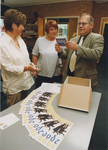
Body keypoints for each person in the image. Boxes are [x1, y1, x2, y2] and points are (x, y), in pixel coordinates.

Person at [0, 9, 39, 107]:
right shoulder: (2, 44)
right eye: (22, 25)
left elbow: (25, 59)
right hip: (14, 88)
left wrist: (32, 67)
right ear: (13, 26)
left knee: (24, 110)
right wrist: (27, 68)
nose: (23, 28)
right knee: (14, 115)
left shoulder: (20, 39)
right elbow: (8, 68)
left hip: (25, 84)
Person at [55, 13, 104, 89]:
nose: (81, 26)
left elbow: (96, 54)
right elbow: (66, 54)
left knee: (81, 100)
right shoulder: (73, 39)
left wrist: (77, 48)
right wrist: (60, 51)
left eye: (84, 24)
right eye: (79, 23)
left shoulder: (97, 38)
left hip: (84, 78)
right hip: (69, 76)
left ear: (91, 25)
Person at [32, 20, 62, 88]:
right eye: (51, 29)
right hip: (42, 73)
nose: (54, 31)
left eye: (55, 29)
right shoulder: (40, 40)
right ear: (47, 31)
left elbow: (64, 57)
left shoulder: (60, 41)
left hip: (56, 74)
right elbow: (35, 55)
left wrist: (63, 71)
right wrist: (34, 69)